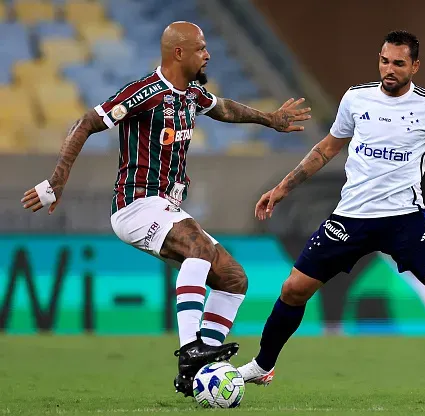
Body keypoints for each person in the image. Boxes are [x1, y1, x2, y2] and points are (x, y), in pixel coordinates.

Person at [237, 30, 425, 401]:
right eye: (384, 60)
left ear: (415, 66)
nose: (388, 69)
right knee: (293, 289)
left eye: (398, 63)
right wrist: (283, 188)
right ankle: (264, 365)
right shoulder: (356, 98)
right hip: (351, 217)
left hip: (404, 221)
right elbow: (327, 148)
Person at [21, 21, 311, 398]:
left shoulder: (191, 93)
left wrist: (268, 119)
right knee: (199, 248)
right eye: (202, 48)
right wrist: (56, 182)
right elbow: (85, 123)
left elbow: (223, 108)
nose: (208, 54)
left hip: (166, 207)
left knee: (234, 279)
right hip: (135, 205)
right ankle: (192, 350)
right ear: (179, 52)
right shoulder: (145, 93)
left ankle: (197, 373)